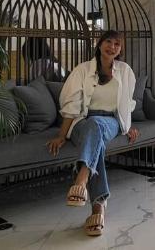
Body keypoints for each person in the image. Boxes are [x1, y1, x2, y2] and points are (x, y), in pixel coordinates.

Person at [46, 30, 139, 236]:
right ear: (99, 44)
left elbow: (126, 104)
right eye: (108, 42)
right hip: (82, 122)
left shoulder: (125, 71)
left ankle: (80, 181)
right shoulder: (82, 70)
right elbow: (72, 106)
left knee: (97, 125)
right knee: (94, 132)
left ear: (120, 49)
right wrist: (62, 135)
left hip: (110, 121)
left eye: (117, 44)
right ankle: (99, 207)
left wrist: (126, 126)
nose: (112, 47)